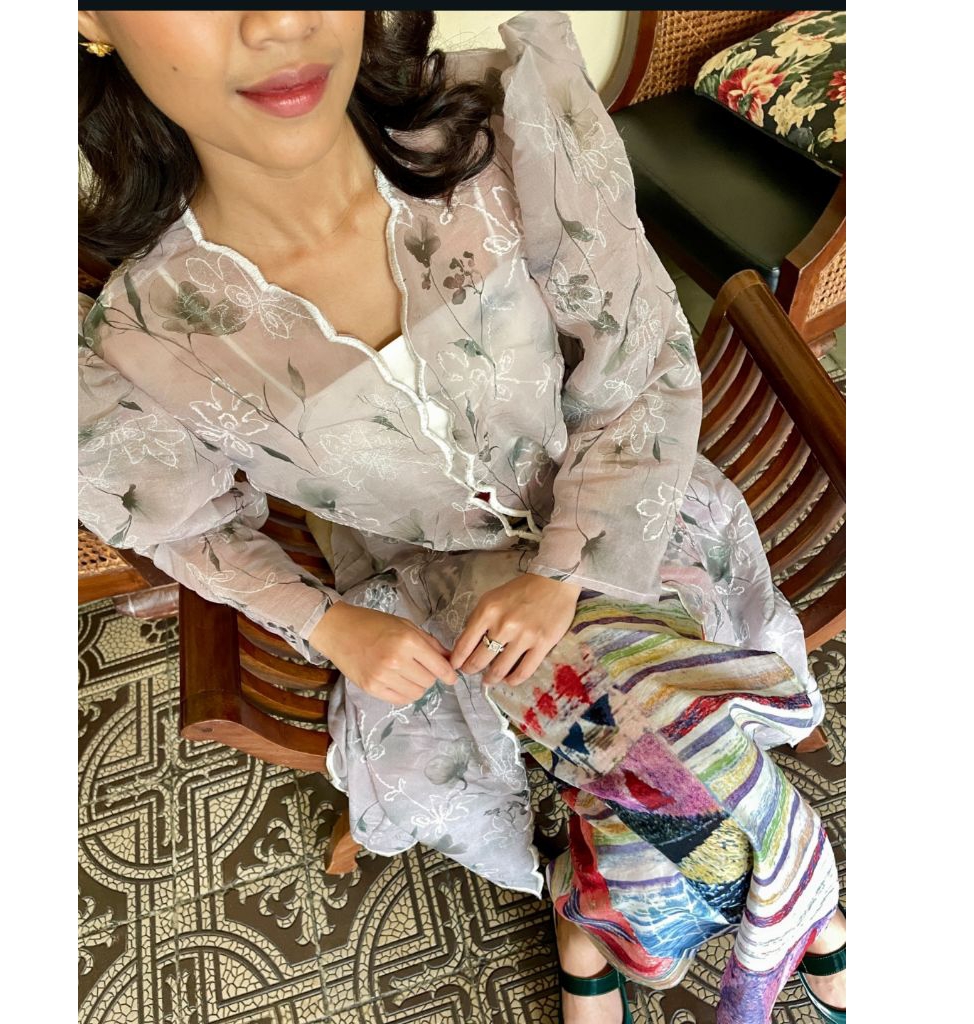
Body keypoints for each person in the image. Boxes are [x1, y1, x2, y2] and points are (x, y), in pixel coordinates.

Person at [77, 10, 846, 1024]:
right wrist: (327, 623)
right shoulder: (139, 337)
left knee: (646, 733)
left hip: (626, 505)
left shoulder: (503, 131)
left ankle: (613, 920)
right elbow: (182, 526)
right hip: (426, 589)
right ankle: (797, 905)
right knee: (657, 743)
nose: (284, 20)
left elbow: (640, 364)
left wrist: (563, 572)